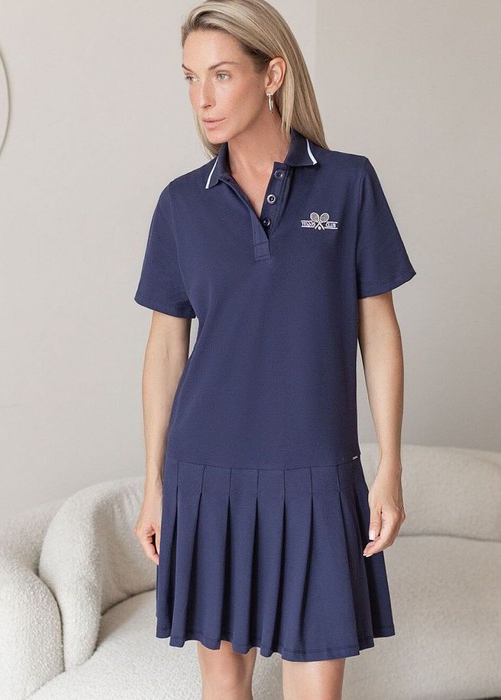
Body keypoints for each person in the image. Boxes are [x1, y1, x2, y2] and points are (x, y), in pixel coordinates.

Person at [133, 1, 416, 698]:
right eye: (190, 77)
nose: (202, 98)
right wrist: (154, 484)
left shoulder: (348, 184)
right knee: (224, 686)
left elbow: (378, 330)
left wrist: (388, 466)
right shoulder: (181, 205)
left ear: (272, 75)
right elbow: (165, 349)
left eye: (221, 74)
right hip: (207, 476)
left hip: (317, 473)